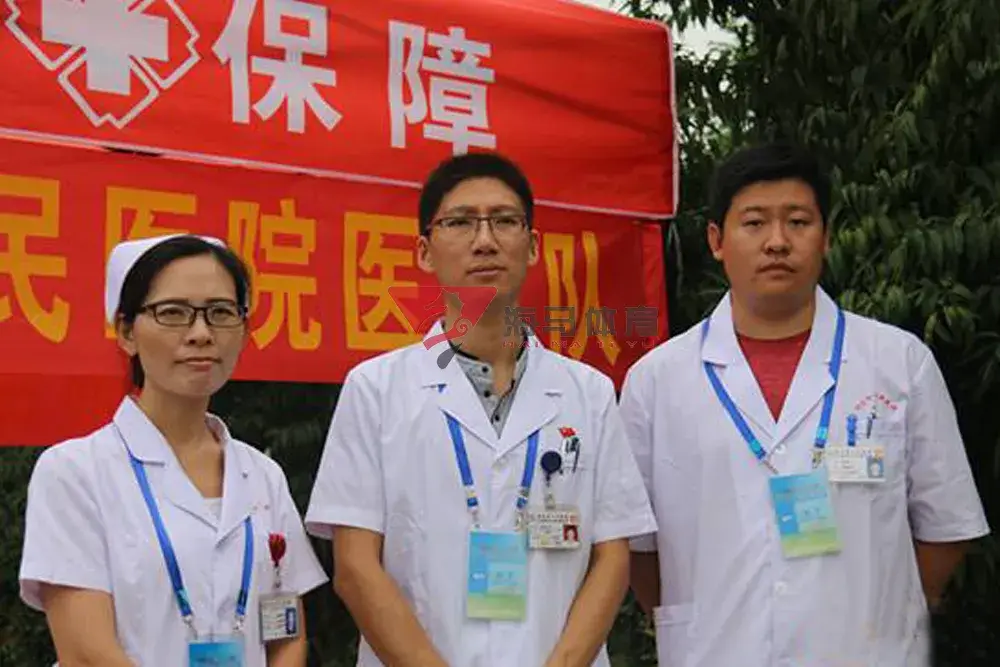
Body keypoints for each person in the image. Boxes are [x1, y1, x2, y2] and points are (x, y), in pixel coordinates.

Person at [620, 143, 990, 667]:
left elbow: (945, 527)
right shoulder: (656, 380)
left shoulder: (899, 361)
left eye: (797, 221)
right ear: (717, 241)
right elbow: (637, 549)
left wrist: (881, 611)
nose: (777, 241)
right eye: (754, 223)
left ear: (826, 237)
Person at [305, 151, 656, 667]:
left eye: (505, 221)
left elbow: (612, 556)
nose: (485, 240)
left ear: (532, 246)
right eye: (461, 222)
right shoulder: (375, 389)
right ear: (425, 251)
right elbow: (355, 567)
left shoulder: (589, 392)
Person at [19, 234, 328, 667]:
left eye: (221, 312)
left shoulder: (263, 475)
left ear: (243, 330)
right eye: (173, 313)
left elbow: (286, 633)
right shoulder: (74, 472)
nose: (201, 333)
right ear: (126, 331)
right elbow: (87, 653)